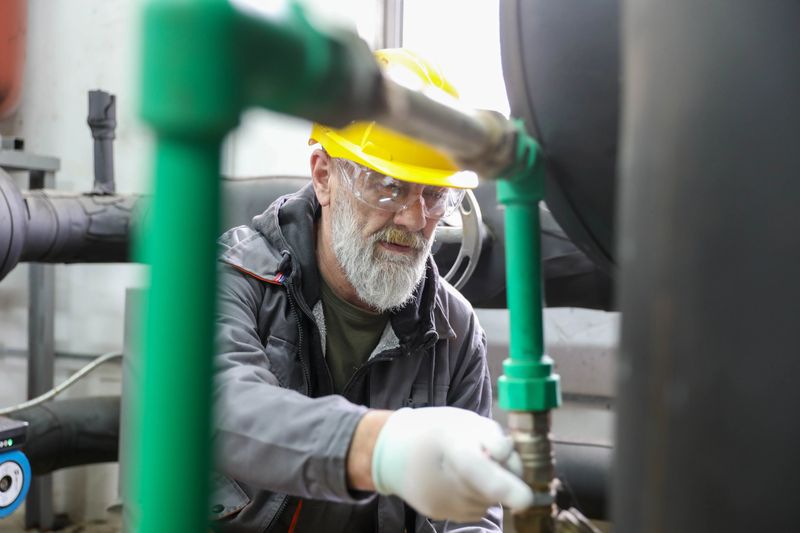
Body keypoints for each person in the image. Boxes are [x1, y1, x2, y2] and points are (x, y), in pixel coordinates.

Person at [212, 48, 533, 532]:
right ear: (323, 176)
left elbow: (470, 519)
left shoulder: (456, 331)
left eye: (432, 195)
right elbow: (222, 407)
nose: (414, 219)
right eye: (386, 186)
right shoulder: (235, 278)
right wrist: (379, 447)